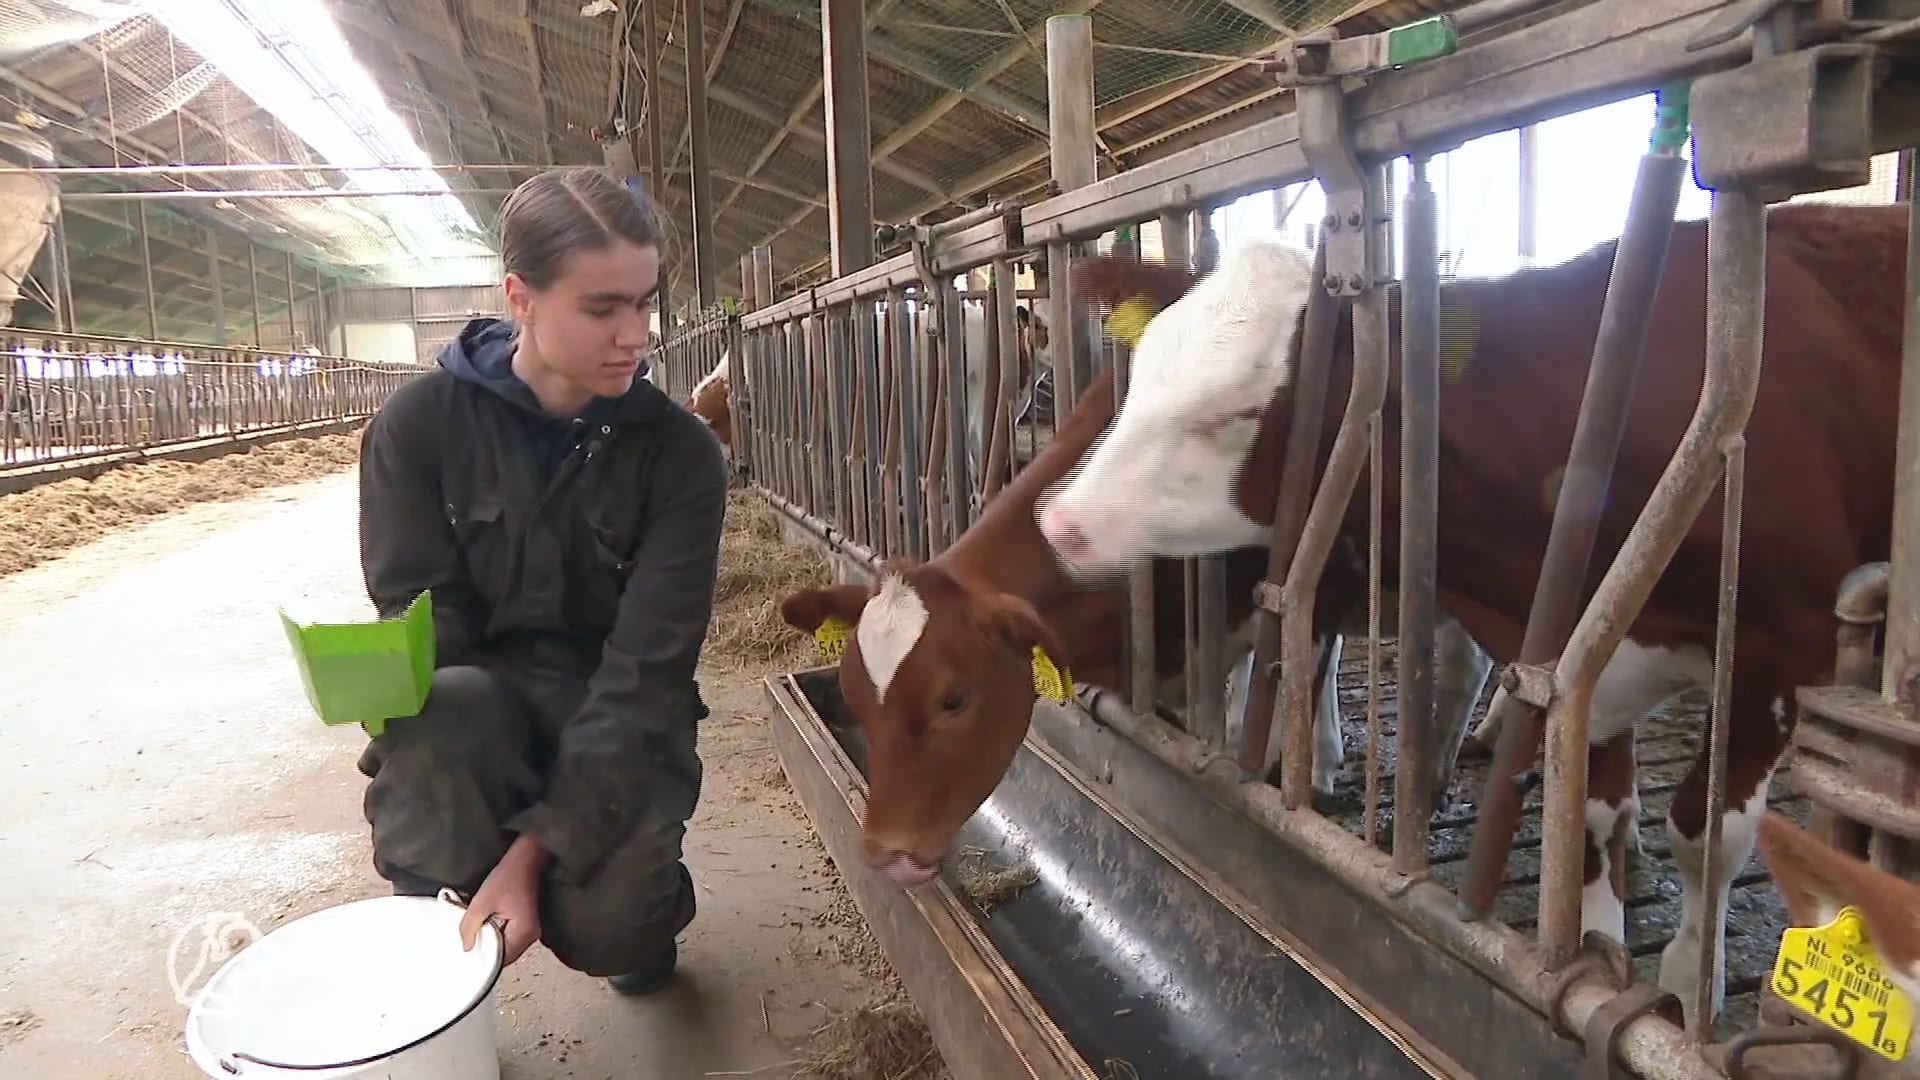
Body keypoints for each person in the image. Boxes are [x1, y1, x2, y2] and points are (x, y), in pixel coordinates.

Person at [352, 166, 728, 995]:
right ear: (520, 296)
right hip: (484, 699)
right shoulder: (416, 429)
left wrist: (530, 853)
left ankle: (639, 918)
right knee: (439, 718)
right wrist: (386, 688)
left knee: (614, 929)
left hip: (618, 710)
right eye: (603, 308)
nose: (636, 334)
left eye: (645, 301)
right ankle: (432, 979)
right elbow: (424, 617)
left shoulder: (681, 458)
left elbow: (645, 676)